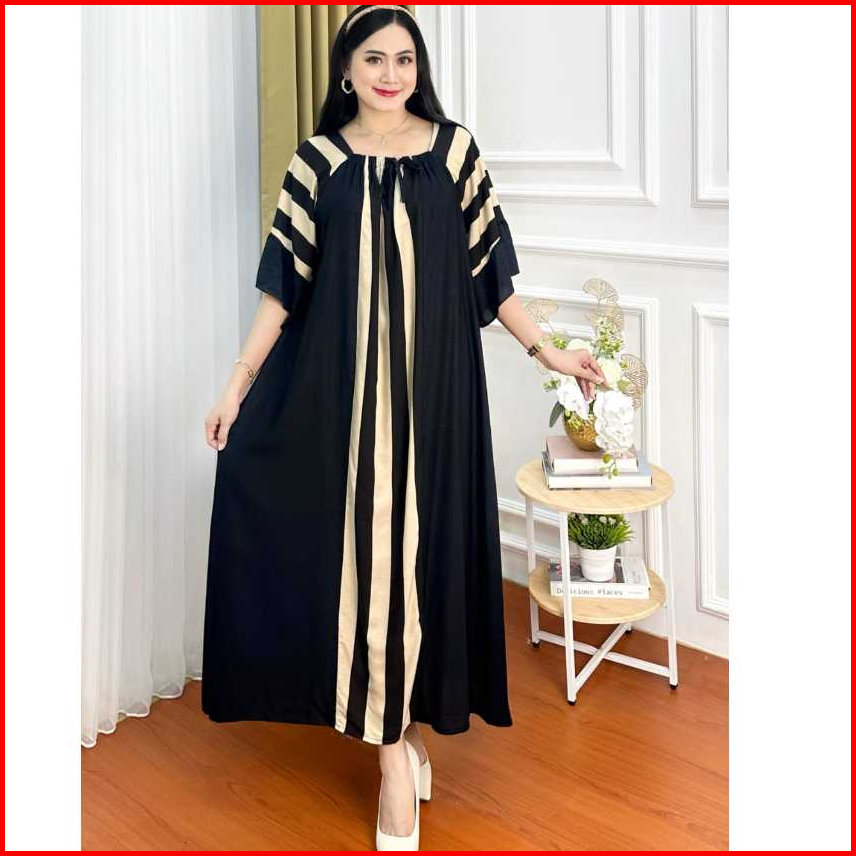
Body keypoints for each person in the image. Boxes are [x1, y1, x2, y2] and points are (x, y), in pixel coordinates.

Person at [201, 4, 605, 850]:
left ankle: (408, 731)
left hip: (437, 400)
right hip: (341, 402)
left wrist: (552, 353)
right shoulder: (318, 163)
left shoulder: (455, 153)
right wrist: (237, 386)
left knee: (421, 566)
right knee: (366, 565)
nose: (391, 74)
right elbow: (283, 289)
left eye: (405, 60)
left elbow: (494, 281)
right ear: (346, 71)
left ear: (419, 70)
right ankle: (393, 761)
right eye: (374, 59)